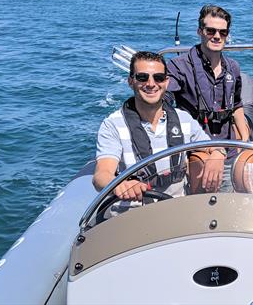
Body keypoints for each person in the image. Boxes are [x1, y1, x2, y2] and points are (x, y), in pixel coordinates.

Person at [93, 51, 222, 207]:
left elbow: (215, 146)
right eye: (142, 77)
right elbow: (102, 175)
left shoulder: (184, 120)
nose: (151, 84)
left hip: (176, 212)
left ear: (166, 82)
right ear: (130, 81)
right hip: (129, 215)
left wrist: (218, 154)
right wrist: (120, 185)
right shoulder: (113, 125)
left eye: (158, 77)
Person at [166, 5, 250, 187]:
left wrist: (245, 142)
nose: (217, 36)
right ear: (200, 31)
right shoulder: (179, 66)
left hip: (228, 151)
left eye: (223, 32)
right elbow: (163, 99)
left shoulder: (233, 67)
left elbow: (236, 105)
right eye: (210, 30)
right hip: (194, 152)